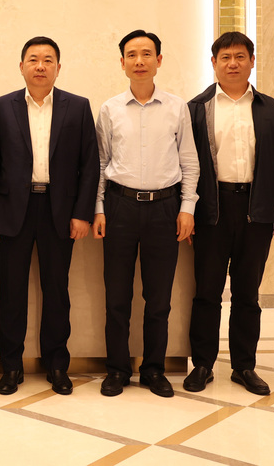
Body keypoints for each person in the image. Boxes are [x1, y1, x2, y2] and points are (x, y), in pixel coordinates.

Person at [0, 36, 99, 395]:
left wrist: (82, 213)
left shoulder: (77, 107)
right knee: (12, 292)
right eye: (33, 59)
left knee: (57, 291)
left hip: (59, 211)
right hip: (13, 211)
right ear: (21, 67)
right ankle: (11, 367)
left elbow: (90, 164)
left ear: (58, 68)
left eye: (48, 60)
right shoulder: (1, 107)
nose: (40, 66)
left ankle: (57, 365)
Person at [184, 32, 274, 396]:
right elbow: (185, 164)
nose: (233, 63)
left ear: (251, 61)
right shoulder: (196, 108)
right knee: (207, 292)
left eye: (240, 56)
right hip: (211, 209)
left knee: (248, 294)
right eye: (226, 57)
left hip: (256, 210)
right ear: (213, 63)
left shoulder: (271, 109)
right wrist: (187, 211)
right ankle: (202, 364)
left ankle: (244, 366)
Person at [93, 29, 198, 398]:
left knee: (159, 299)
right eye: (132, 55)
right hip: (119, 207)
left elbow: (189, 162)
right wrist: (99, 208)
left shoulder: (177, 107)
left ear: (159, 60)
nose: (139, 61)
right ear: (122, 63)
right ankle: (117, 369)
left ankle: (154, 369)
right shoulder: (109, 109)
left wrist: (187, 208)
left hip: (165, 208)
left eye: (147, 54)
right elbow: (100, 163)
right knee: (116, 297)